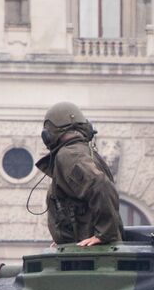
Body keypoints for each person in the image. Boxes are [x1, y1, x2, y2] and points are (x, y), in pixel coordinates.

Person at [35, 101, 123, 247]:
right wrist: (63, 238)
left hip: (90, 257)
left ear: (49, 135)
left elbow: (100, 185)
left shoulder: (69, 156)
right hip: (84, 251)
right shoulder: (83, 152)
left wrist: (104, 235)